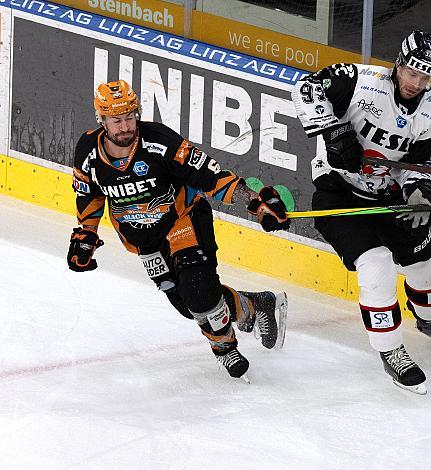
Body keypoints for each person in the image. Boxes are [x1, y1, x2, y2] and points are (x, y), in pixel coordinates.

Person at [291, 31, 431, 394]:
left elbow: (426, 165)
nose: (415, 83)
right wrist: (334, 131)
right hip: (338, 194)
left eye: (425, 77)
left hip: (386, 197)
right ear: (399, 64)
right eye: (411, 72)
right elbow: (305, 88)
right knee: (375, 264)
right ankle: (391, 351)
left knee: (424, 259)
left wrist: (420, 192)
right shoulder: (359, 81)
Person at [67, 79, 291, 381]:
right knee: (188, 305)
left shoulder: (160, 140)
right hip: (143, 240)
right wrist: (87, 234)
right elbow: (90, 194)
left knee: (198, 292)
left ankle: (224, 349)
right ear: (102, 120)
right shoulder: (87, 151)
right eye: (116, 120)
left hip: (183, 221)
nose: (124, 127)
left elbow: (210, 175)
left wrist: (255, 202)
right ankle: (255, 305)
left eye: (130, 117)